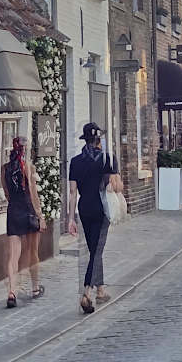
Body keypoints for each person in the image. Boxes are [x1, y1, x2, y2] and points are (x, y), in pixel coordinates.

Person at [67, 122, 122, 313]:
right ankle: (86, 292)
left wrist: (71, 218)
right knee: (96, 251)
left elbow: (73, 192)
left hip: (84, 208)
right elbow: (116, 186)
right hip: (101, 208)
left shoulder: (75, 161)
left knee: (93, 250)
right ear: (99, 140)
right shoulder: (107, 158)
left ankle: (101, 290)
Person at [2, 135, 43, 308]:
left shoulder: (4, 169)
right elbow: (33, 194)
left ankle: (12, 291)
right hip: (28, 210)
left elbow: (6, 193)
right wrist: (40, 215)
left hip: (13, 210)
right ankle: (34, 288)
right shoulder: (28, 168)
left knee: (13, 256)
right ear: (25, 149)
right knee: (33, 251)